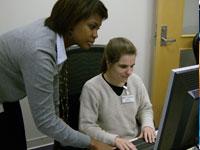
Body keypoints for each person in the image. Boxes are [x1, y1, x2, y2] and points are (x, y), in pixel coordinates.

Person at [0, 0, 113, 150]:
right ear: (71, 22)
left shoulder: (54, 35)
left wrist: (59, 120)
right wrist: (93, 143)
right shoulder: (39, 51)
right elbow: (45, 121)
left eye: (97, 28)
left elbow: (53, 88)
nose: (96, 35)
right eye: (92, 27)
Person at [79, 37, 156, 150]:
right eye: (123, 66)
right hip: (109, 145)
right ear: (109, 63)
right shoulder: (92, 88)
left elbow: (145, 108)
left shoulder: (135, 81)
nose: (129, 72)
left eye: (132, 66)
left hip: (135, 141)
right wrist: (114, 140)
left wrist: (148, 125)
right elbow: (86, 127)